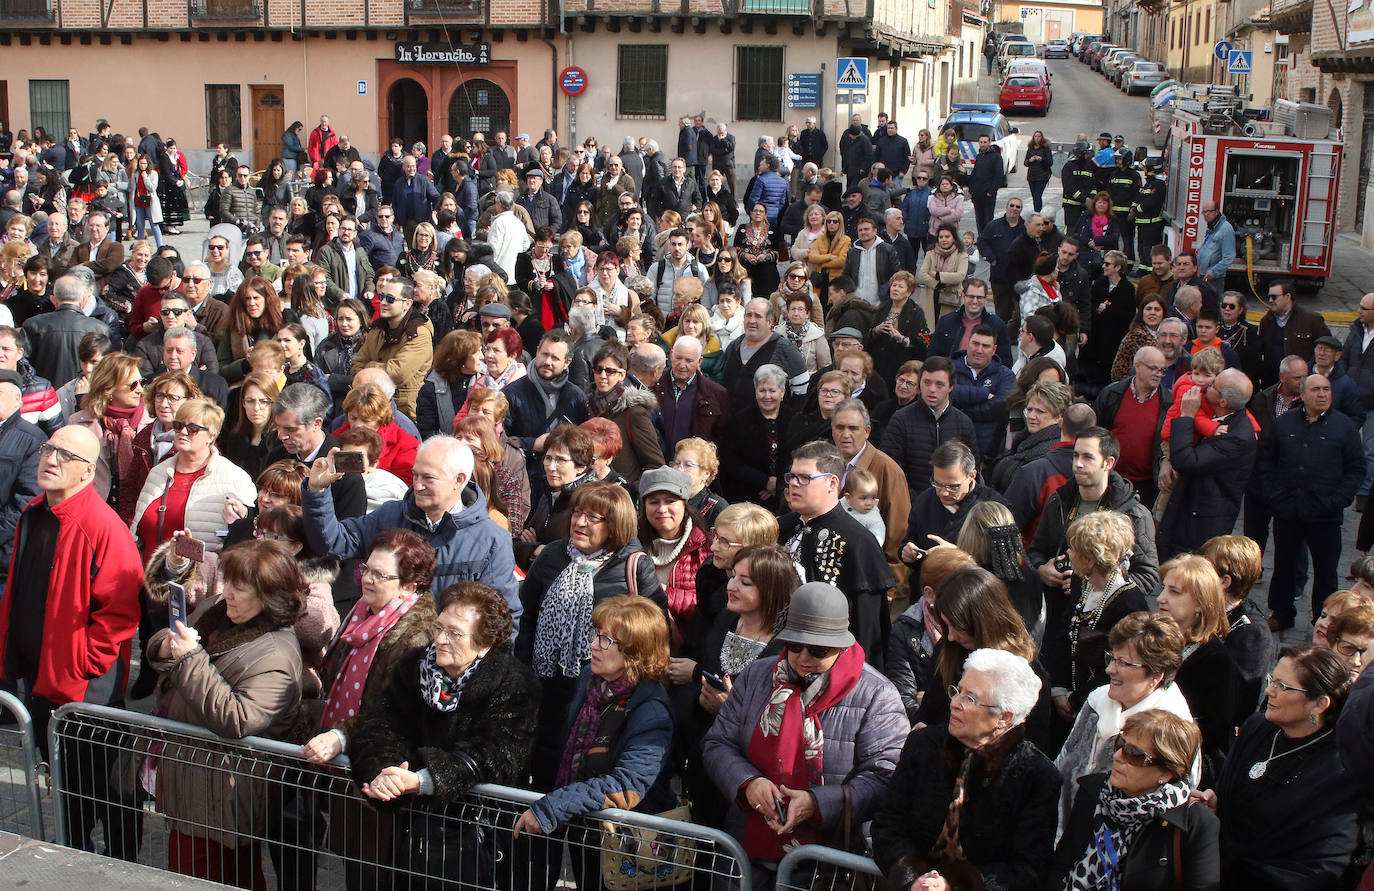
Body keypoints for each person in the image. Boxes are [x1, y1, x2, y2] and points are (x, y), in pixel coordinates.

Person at [702, 581, 908, 884]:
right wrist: (748, 783)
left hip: (828, 863)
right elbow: (718, 743)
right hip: (747, 851)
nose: (803, 658)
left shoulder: (877, 694)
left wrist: (817, 803)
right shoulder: (758, 675)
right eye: (794, 646)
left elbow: (886, 774)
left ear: (842, 646)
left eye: (818, 650)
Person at [0, 424, 142, 853]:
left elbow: (119, 614)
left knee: (106, 791)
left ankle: (122, 867)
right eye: (48, 449)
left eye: (64, 455)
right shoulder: (35, 512)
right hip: (43, 680)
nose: (50, 459)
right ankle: (72, 854)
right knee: (62, 783)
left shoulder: (103, 526)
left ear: (87, 471)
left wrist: (84, 663)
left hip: (84, 691)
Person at [346, 579, 539, 888]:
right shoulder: (414, 666)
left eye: (455, 633)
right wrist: (385, 771)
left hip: (476, 835)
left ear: (484, 644)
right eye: (439, 628)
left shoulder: (514, 682)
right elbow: (382, 724)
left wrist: (425, 779)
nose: (441, 640)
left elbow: (495, 754)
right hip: (409, 831)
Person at [146, 540, 306, 889]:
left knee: (211, 875)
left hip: (224, 793)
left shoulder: (276, 654)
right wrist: (166, 645)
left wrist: (188, 658)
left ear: (268, 595)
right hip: (193, 779)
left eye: (239, 587)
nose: (227, 593)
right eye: (228, 581)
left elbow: (236, 718)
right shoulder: (219, 610)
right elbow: (175, 633)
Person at [870, 648, 1060, 890]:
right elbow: (887, 825)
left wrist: (954, 887)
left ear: (1004, 717)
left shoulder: (1037, 777)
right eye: (958, 691)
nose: (955, 703)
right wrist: (914, 878)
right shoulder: (923, 745)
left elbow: (1027, 870)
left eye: (970, 698)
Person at [303, 434, 518, 616]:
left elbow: (499, 616)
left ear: (459, 480)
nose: (418, 485)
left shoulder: (491, 541)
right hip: (386, 649)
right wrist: (317, 491)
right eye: (415, 475)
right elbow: (334, 541)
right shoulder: (392, 515)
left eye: (428, 478)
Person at [1200, 646, 1358, 888]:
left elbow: (1321, 864)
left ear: (1319, 704)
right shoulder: (1257, 727)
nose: (1269, 691)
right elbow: (1232, 788)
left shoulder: (1339, 767)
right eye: (1272, 680)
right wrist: (1217, 803)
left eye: (1283, 686)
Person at [1051, 709, 1220, 890]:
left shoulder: (1195, 824)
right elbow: (1061, 864)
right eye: (1120, 744)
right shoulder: (1094, 791)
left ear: (1166, 772)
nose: (1117, 756)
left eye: (1134, 754)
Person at [778, 441, 896, 668]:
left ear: (832, 483)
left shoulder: (858, 542)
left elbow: (867, 629)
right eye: (791, 476)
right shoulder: (782, 527)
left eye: (804, 477)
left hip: (831, 663)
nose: (794, 483)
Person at [1261, 373, 1365, 630]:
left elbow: (1356, 469)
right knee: (1283, 565)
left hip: (1325, 513)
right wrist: (1275, 496)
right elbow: (1266, 463)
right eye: (1316, 389)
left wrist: (1338, 499)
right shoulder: (1284, 424)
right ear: (1303, 395)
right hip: (1288, 510)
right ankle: (1282, 613)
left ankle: (1325, 617)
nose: (1322, 394)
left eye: (1326, 389)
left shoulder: (1344, 427)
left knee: (1327, 572)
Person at [1155, 555, 1240, 782]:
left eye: (1174, 592)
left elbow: (1213, 733)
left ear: (1200, 604)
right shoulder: (1153, 637)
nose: (1160, 598)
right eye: (1163, 589)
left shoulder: (1215, 661)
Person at [881, 355, 979, 502]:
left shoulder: (963, 423)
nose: (932, 389)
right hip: (909, 503)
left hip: (953, 504)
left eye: (939, 384)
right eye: (927, 382)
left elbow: (971, 468)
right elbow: (891, 470)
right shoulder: (901, 420)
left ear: (950, 387)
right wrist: (918, 502)